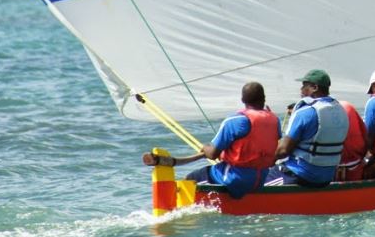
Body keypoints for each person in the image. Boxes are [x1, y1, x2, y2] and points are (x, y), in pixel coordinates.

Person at [142, 81, 280, 199]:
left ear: (243, 100)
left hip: (236, 178)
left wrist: (205, 147)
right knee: (216, 173)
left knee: (192, 178)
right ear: (264, 98)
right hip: (261, 178)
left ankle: (174, 210)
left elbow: (213, 153)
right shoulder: (275, 120)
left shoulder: (236, 121)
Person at [267, 69, 350, 187]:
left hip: (300, 175)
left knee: (255, 183)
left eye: (304, 86)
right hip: (327, 177)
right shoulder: (341, 111)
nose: (301, 90)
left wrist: (267, 161)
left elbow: (283, 150)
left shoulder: (306, 112)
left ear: (315, 87)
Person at [336, 99, 368, 182]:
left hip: (326, 168)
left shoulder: (311, 111)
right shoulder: (347, 106)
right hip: (354, 164)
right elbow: (366, 137)